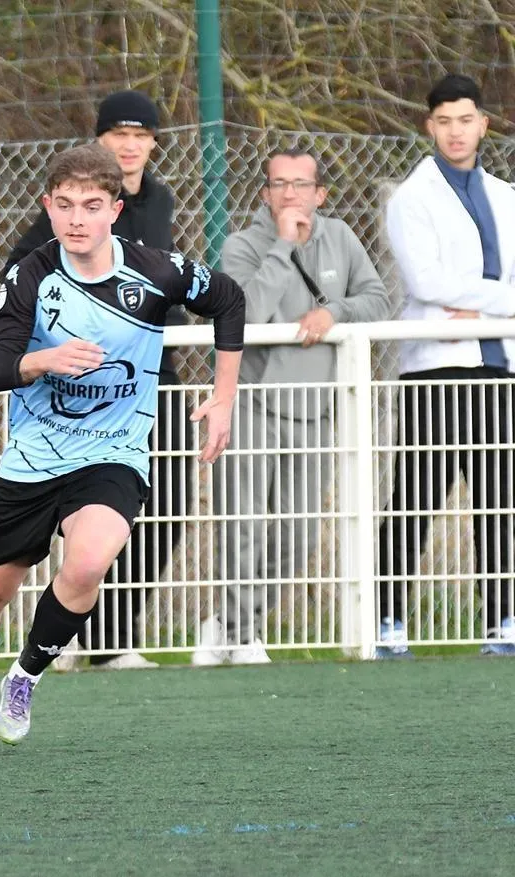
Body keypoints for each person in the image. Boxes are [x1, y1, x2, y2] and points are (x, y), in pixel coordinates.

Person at [0, 143, 245, 754]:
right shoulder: (30, 276)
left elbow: (228, 299)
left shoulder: (156, 270)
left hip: (114, 453)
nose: (77, 218)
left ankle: (24, 677)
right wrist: (44, 360)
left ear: (115, 209)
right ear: (48, 206)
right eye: (64, 205)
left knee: (87, 562)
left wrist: (223, 397)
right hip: (32, 459)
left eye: (90, 205)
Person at [5, 90, 186, 671]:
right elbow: (20, 275)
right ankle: (74, 639)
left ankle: (114, 635)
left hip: (153, 376)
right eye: (119, 134)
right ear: (100, 140)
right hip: (80, 385)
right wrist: (53, 347)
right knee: (72, 512)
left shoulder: (160, 199)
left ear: (153, 143)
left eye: (141, 135)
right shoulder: (75, 208)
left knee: (171, 503)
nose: (130, 145)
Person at [192, 148, 392, 665]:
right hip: (253, 403)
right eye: (279, 184)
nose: (290, 193)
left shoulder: (340, 237)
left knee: (298, 535)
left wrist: (334, 312)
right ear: (265, 193)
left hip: (315, 406)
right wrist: (283, 246)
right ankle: (239, 636)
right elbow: (247, 315)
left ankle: (238, 625)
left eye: (301, 184)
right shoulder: (241, 246)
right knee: (243, 525)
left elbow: (377, 299)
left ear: (319, 194)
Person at [377, 73, 515, 659]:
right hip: (436, 368)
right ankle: (387, 621)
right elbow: (427, 283)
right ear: (429, 126)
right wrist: (503, 300)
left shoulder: (507, 197)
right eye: (444, 122)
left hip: (498, 364)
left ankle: (502, 620)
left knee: (498, 498)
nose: (456, 132)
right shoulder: (413, 198)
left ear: (484, 124)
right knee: (417, 496)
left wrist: (485, 306)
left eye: (466, 120)